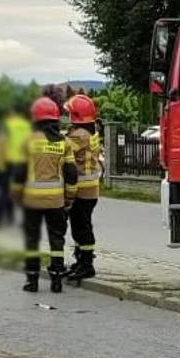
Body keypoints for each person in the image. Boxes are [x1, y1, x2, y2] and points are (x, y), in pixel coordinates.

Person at [18, 97, 78, 293]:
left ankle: (32, 280)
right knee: (57, 240)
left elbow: (19, 173)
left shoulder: (27, 141)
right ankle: (57, 280)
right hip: (55, 201)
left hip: (31, 201)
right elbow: (71, 174)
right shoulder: (64, 143)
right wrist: (69, 197)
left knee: (32, 240)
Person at [64, 94, 103, 282]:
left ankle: (87, 265)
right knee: (80, 226)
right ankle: (81, 261)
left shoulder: (79, 135)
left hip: (82, 190)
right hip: (90, 189)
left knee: (82, 228)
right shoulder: (90, 132)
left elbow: (62, 149)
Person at [0, 105, 31, 226]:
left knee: (6, 191)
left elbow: (2, 143)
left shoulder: (6, 124)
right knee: (24, 191)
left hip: (10, 162)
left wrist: (0, 164)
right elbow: (29, 143)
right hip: (24, 162)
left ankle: (8, 218)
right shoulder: (26, 125)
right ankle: (26, 219)